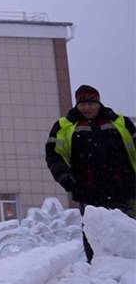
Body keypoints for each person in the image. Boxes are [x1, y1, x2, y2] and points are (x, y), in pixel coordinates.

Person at [45, 84, 136, 263]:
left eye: (90, 103)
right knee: (94, 232)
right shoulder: (64, 126)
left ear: (98, 103)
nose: (86, 108)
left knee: (130, 229)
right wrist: (63, 176)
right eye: (82, 104)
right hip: (88, 189)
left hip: (125, 188)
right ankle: (97, 268)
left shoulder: (121, 123)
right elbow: (53, 154)